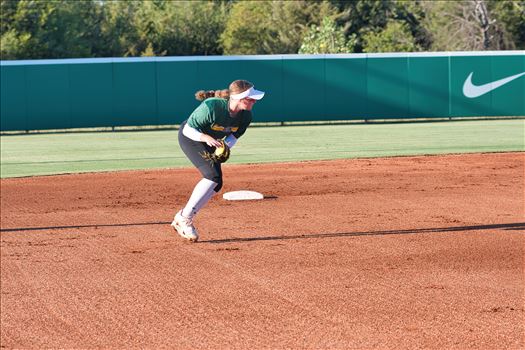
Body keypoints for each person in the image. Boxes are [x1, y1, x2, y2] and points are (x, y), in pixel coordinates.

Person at [171, 80, 265, 242]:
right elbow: (188, 129)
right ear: (239, 97)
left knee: (217, 182)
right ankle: (184, 218)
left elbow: (233, 137)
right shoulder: (212, 107)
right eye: (251, 98)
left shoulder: (246, 116)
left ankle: (184, 217)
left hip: (212, 142)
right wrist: (204, 137)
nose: (254, 101)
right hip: (192, 137)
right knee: (211, 176)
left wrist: (224, 147)